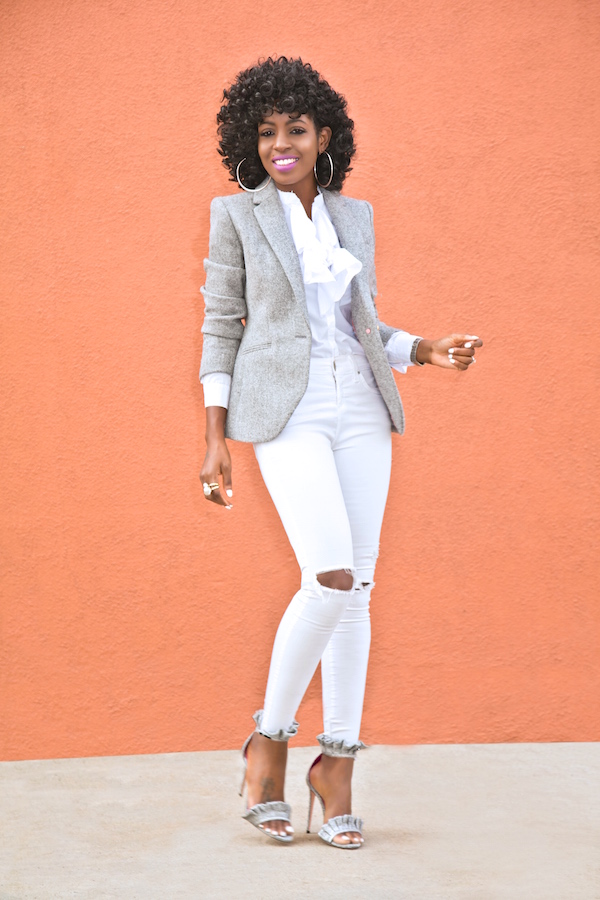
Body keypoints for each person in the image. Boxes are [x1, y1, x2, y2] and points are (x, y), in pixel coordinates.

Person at [199, 57, 482, 849]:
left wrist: (424, 349)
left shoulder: (353, 218)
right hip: (283, 409)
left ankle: (338, 766)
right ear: (248, 140)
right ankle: (270, 741)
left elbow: (366, 324)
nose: (280, 144)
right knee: (325, 576)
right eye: (266, 131)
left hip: (359, 402)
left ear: (324, 136)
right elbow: (222, 323)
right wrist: (215, 435)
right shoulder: (236, 215)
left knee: (357, 586)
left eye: (295, 129)